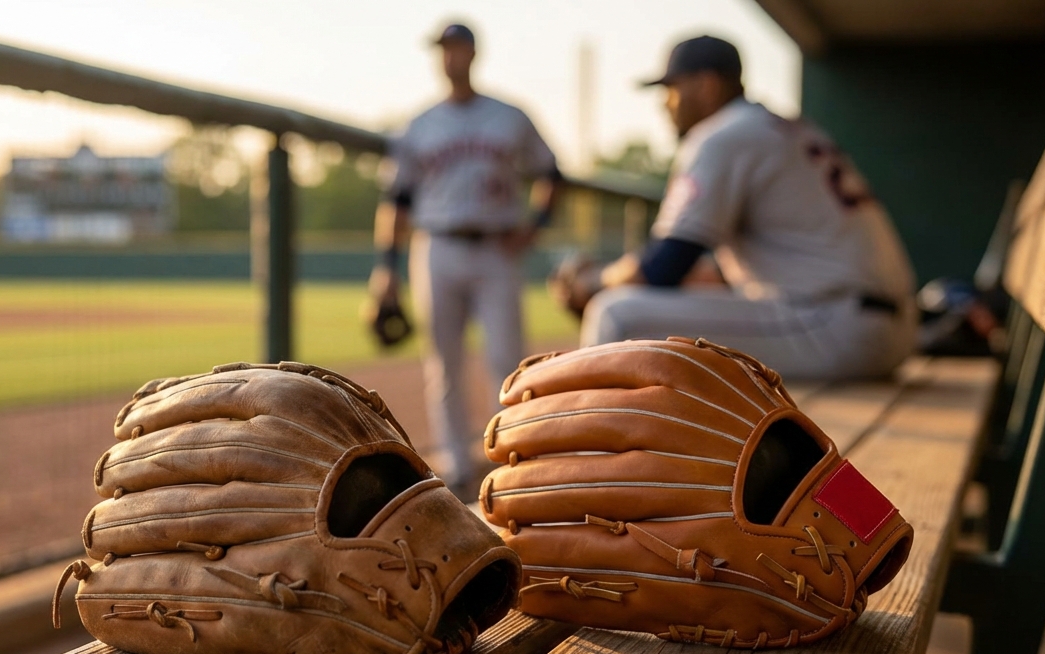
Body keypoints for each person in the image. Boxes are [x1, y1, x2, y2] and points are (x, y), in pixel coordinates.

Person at [564, 35, 917, 380]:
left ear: (706, 85)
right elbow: (715, 271)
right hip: (889, 327)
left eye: (673, 88)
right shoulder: (787, 129)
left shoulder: (723, 135)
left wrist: (593, 281)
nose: (665, 103)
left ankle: (586, 438)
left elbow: (664, 267)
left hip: (837, 328)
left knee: (614, 314)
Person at [371, 21, 560, 496]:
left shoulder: (509, 116)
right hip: (436, 246)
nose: (450, 58)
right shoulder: (420, 124)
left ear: (474, 53)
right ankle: (457, 468)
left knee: (507, 361)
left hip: (496, 247)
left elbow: (551, 172)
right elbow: (396, 200)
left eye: (457, 49)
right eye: (443, 50)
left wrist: (533, 227)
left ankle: (518, 459)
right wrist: (385, 269)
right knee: (444, 366)